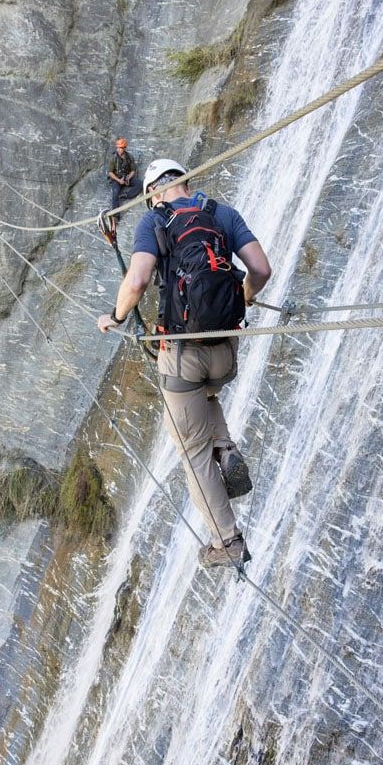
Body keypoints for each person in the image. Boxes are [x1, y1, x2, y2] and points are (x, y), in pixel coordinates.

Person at [97, 158, 271, 568]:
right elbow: (261, 268)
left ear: (153, 192)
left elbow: (137, 281)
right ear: (186, 181)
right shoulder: (221, 214)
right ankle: (225, 449)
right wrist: (243, 298)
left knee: (192, 450)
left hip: (182, 357)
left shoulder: (153, 222)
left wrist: (116, 317)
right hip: (226, 352)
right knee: (204, 395)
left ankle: (226, 541)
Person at [107, 137, 143, 215]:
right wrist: (119, 180)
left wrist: (128, 178)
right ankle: (116, 216)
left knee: (140, 184)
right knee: (115, 193)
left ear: (124, 148)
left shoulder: (129, 157)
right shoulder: (113, 158)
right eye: (117, 148)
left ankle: (126, 195)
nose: (119, 150)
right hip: (117, 179)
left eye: (120, 148)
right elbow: (110, 172)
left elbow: (133, 170)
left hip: (126, 177)